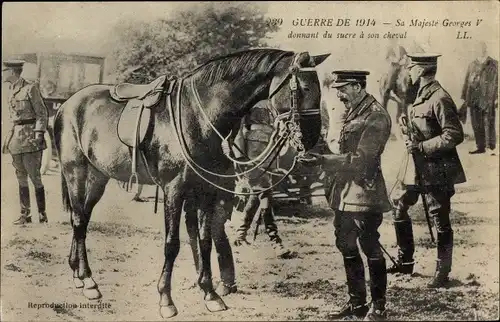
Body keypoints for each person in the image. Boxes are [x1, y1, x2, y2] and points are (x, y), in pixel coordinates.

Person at [300, 70, 392, 321]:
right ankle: (357, 305)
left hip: (365, 193)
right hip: (345, 193)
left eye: (342, 89)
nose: (338, 94)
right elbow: (341, 149)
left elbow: (363, 160)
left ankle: (379, 307)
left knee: (370, 246)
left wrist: (323, 160)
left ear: (357, 86)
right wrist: (316, 150)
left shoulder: (375, 116)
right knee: (346, 246)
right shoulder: (355, 111)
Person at [387, 54, 466, 289]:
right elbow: (425, 126)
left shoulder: (440, 97)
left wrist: (421, 146)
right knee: (399, 206)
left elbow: (453, 134)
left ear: (421, 70)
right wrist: (407, 125)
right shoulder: (421, 96)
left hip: (436, 169)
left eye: (411, 68)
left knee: (440, 219)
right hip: (415, 168)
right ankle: (406, 261)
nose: (408, 72)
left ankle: (443, 272)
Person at [229, 100, 290, 258]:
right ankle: (275, 240)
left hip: (269, 154)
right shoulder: (252, 98)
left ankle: (240, 235)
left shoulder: (274, 101)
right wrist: (241, 158)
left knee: (258, 195)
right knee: (265, 193)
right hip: (252, 155)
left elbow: (277, 130)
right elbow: (239, 131)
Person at [2, 60, 49, 224]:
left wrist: (38, 135)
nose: (2, 73)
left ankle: (42, 215)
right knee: (20, 176)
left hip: (30, 139)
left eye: (4, 70)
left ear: (12, 71)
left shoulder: (30, 88)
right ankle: (25, 215)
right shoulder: (11, 90)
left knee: (35, 177)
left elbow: (42, 114)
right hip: (16, 138)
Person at [461, 41, 498, 155]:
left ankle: (490, 147)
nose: (479, 50)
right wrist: (464, 97)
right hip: (474, 98)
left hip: (488, 97)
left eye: (481, 48)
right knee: (476, 122)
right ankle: (480, 146)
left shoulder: (493, 64)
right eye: (477, 48)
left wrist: (497, 97)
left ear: (485, 49)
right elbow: (467, 81)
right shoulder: (472, 64)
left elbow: (497, 82)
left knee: (488, 122)